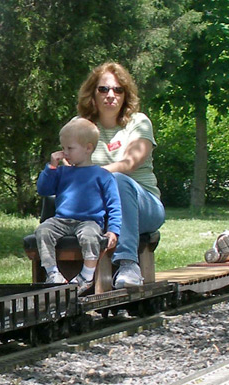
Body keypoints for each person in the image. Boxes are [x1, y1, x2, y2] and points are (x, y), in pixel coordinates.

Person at [60, 62, 165, 288]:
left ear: (125, 95)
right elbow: (68, 169)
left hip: (143, 205)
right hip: (96, 208)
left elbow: (129, 163)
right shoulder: (79, 127)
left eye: (118, 90)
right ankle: (57, 276)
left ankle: (128, 264)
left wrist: (91, 175)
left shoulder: (139, 122)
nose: (111, 95)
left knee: (117, 180)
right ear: (92, 94)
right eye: (103, 89)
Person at [35, 117, 122, 286]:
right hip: (62, 220)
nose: (64, 152)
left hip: (89, 221)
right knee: (43, 231)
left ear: (88, 148)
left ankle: (87, 275)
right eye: (63, 148)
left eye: (70, 148)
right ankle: (53, 273)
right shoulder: (61, 172)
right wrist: (51, 167)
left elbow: (114, 206)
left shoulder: (103, 175)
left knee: (89, 236)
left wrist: (113, 231)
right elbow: (44, 190)